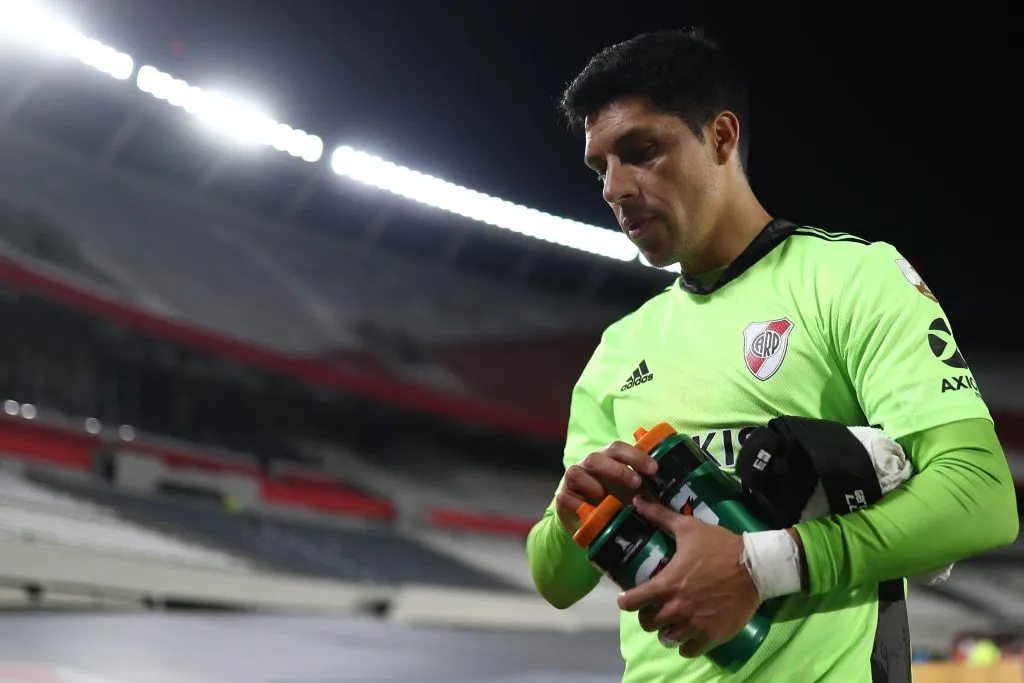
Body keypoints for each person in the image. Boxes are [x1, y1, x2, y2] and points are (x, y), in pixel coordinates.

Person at [525, 28, 1019, 683]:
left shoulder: (851, 279)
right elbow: (556, 579)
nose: (615, 187)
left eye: (641, 152)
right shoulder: (621, 348)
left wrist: (761, 564)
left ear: (722, 137)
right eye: (600, 168)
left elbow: (982, 495)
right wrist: (570, 514)